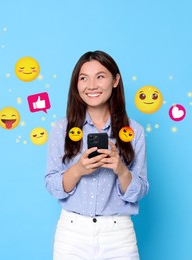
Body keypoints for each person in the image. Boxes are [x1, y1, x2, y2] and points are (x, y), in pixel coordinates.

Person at [45, 50, 149, 260]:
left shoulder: (134, 131)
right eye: (83, 78)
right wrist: (78, 170)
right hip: (72, 233)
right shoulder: (61, 128)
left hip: (118, 234)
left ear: (115, 80)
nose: (91, 85)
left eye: (100, 76)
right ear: (76, 84)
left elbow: (140, 191)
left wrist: (121, 170)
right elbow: (52, 185)